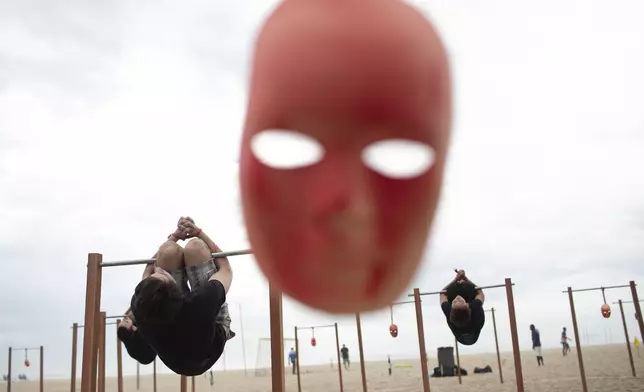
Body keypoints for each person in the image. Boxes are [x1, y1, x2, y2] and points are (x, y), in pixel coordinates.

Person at [130, 217, 235, 376]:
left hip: (175, 353)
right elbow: (225, 269)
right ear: (176, 291)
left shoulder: (140, 303)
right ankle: (195, 248)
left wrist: (175, 236)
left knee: (168, 251)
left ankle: (174, 249)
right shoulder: (202, 302)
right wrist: (199, 233)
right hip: (208, 348)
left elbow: (150, 267)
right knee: (196, 247)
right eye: (164, 275)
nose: (160, 271)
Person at [440, 269, 485, 345]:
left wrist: (456, 280)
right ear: (467, 305)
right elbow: (479, 291)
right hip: (471, 334)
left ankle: (459, 285)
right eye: (460, 301)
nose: (457, 297)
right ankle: (462, 285)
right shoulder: (475, 308)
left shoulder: (447, 308)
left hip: (461, 334)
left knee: (451, 289)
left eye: (455, 302)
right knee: (468, 287)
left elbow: (442, 293)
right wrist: (465, 279)